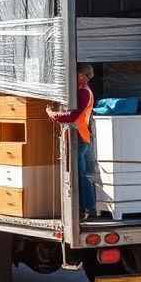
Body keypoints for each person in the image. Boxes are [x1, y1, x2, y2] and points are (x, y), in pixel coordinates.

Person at [46, 63, 96, 221]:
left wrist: (53, 114)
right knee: (81, 174)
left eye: (75, 74)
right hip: (81, 136)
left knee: (80, 175)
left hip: (79, 138)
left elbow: (73, 116)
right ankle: (86, 208)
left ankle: (88, 208)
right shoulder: (83, 91)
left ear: (82, 76)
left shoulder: (83, 93)